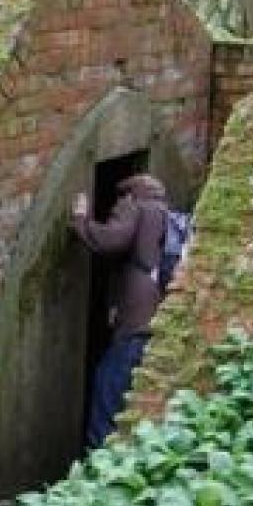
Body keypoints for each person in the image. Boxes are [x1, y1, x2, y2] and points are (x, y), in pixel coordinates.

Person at [70, 173, 168, 449]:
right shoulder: (167, 216)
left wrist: (80, 220)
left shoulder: (135, 206)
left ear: (129, 194)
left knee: (106, 393)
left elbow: (111, 239)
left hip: (134, 328)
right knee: (133, 397)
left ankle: (98, 466)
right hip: (157, 322)